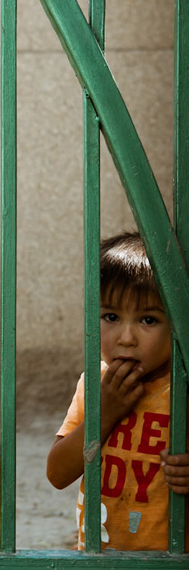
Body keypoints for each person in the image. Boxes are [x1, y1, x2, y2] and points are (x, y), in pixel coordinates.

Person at [46, 232, 189, 551]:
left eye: (148, 320)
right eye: (111, 317)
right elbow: (57, 473)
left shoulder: (182, 387)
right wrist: (104, 412)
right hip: (100, 566)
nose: (126, 338)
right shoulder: (94, 383)